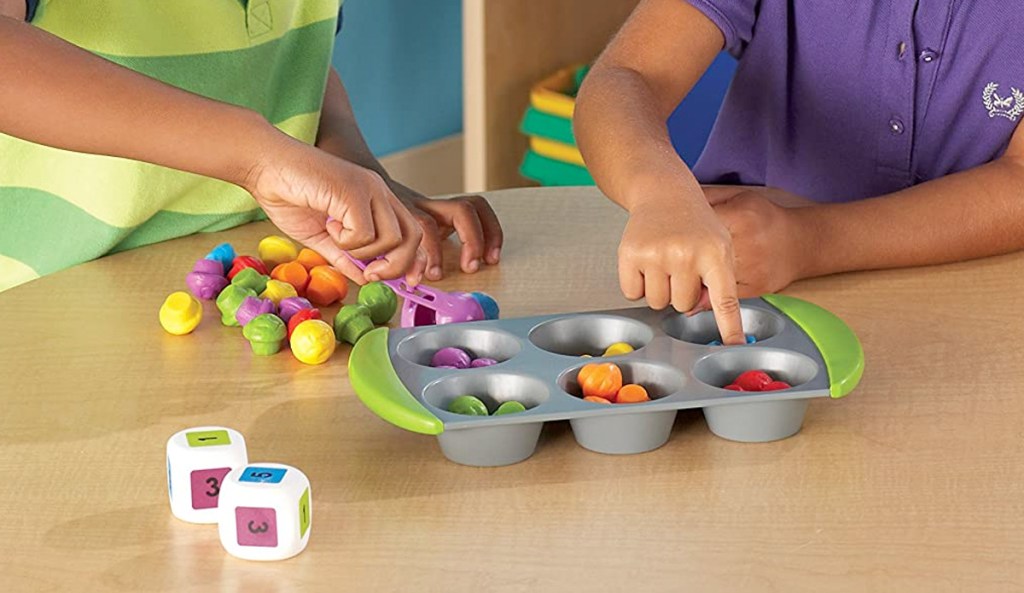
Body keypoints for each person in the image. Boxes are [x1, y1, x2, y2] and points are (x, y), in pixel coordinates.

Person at [575, 0, 1024, 344]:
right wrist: (661, 193)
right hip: (751, 288)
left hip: (978, 309)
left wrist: (808, 242)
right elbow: (625, 76)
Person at [0, 0, 502, 293]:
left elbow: (288, 57)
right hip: (56, 299)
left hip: (252, 274)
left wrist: (351, 167)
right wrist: (256, 158)